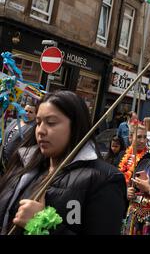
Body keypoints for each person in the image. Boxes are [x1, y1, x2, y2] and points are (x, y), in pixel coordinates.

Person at [0, 91, 128, 235]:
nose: (40, 131)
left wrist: (42, 224)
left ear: (75, 126)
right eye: (38, 122)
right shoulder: (26, 163)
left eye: (51, 123)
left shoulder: (104, 179)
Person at [1, 104, 37, 172]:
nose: (27, 113)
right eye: (26, 110)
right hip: (2, 158)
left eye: (30, 112)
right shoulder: (14, 121)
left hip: (14, 164)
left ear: (35, 115)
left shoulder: (33, 128)